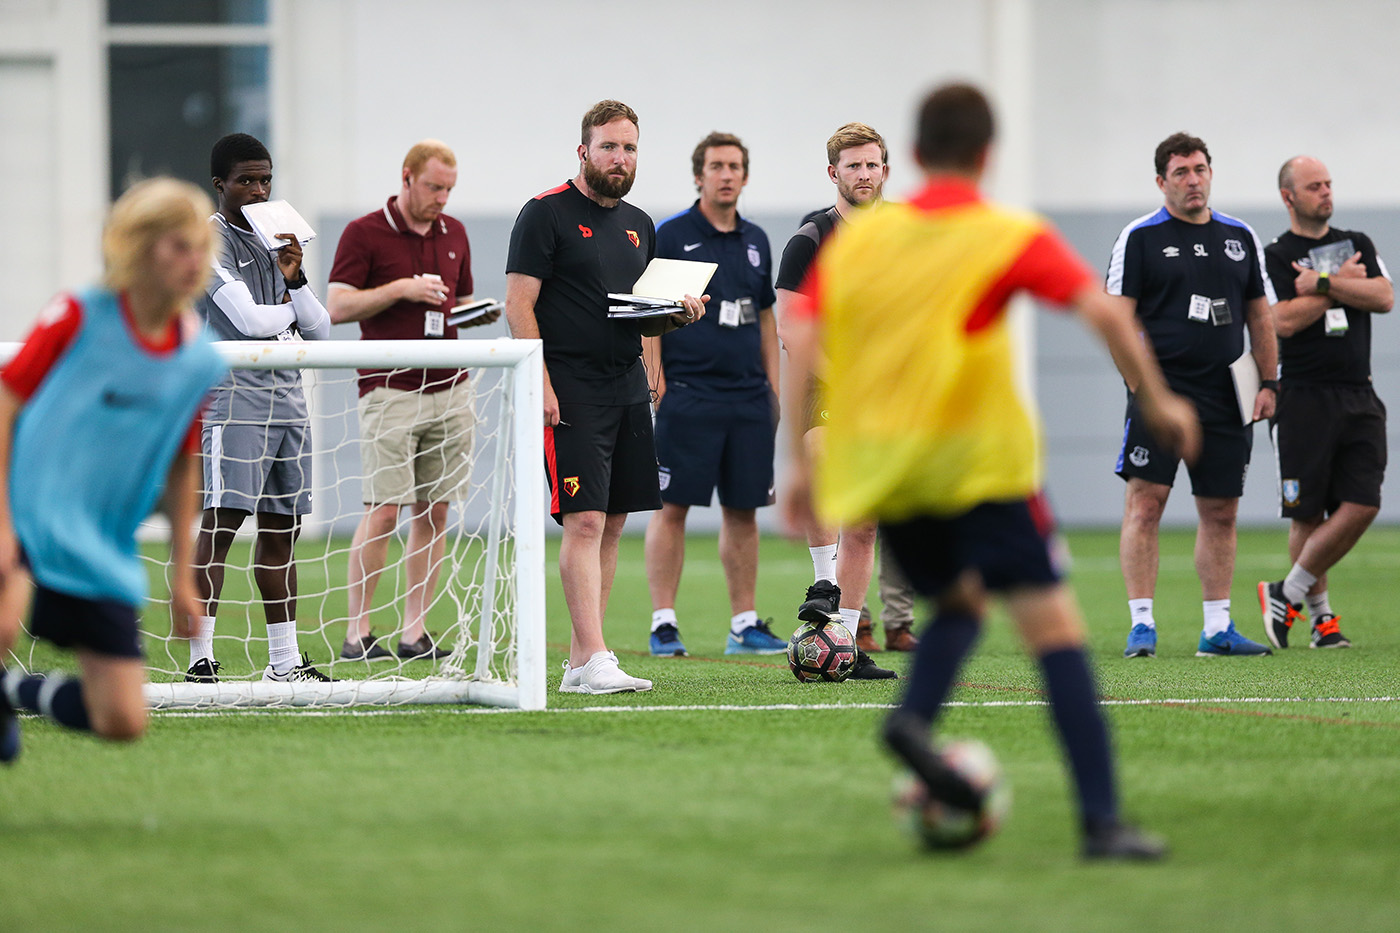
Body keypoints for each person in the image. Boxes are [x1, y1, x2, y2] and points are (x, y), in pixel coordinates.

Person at [782, 82, 1200, 859]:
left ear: (911, 155)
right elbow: (1104, 309)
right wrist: (1158, 397)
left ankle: (913, 720)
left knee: (961, 605)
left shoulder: (862, 240)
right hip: (984, 469)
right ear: (986, 154)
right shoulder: (1003, 231)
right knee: (1058, 634)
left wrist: (796, 467)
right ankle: (1102, 820)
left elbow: (801, 334)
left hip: (898, 474)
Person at [0, 178, 228, 764]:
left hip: (99, 541)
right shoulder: (78, 315)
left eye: (201, 248)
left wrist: (183, 577)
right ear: (140, 247)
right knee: (3, 626)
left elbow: (183, 463)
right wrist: (3, 524)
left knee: (122, 719)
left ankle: (8, 693)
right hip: (23, 513)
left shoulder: (198, 359)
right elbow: (5, 403)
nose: (194, 262)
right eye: (178, 246)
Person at [505, 100, 706, 694]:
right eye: (610, 147)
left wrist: (678, 316)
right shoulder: (544, 213)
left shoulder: (640, 223)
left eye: (630, 148)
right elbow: (518, 305)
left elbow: (639, 316)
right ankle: (595, 656)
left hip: (626, 387)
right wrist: (540, 381)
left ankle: (579, 664)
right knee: (585, 519)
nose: (620, 158)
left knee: (613, 521)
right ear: (584, 150)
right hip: (569, 387)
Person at [328, 139, 499, 663]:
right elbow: (336, 306)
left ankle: (413, 632)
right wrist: (401, 289)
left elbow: (459, 302)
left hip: (452, 388)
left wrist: (478, 313)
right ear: (406, 178)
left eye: (449, 189)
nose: (441, 198)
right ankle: (357, 634)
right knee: (383, 511)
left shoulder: (456, 233)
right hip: (390, 390)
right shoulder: (363, 232)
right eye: (433, 187)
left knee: (436, 511)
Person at [1109, 132, 1278, 659]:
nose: (1192, 180)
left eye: (1199, 169)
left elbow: (1260, 316)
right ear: (1162, 182)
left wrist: (1269, 383)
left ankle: (1217, 628)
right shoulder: (1140, 237)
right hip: (1163, 393)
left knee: (1221, 509)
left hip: (1227, 394)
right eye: (1180, 172)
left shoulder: (1239, 236)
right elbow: (1118, 319)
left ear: (1210, 174)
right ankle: (1142, 625)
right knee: (1146, 504)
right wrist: (1142, 388)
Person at [191, 133, 333, 685]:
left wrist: (294, 278)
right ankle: (200, 658)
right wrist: (291, 313)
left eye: (265, 179)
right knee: (222, 523)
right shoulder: (210, 239)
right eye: (246, 180)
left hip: (288, 394)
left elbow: (321, 331)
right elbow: (250, 322)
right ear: (219, 184)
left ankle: (284, 663)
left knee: (282, 529)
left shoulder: (278, 240)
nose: (258, 190)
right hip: (235, 394)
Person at [642, 132, 785, 657]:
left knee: (744, 510)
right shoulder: (672, 234)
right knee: (671, 507)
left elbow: (765, 318)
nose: (726, 175)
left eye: (734, 166)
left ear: (744, 176)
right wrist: (656, 382)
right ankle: (663, 623)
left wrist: (773, 389)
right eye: (716, 166)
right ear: (698, 175)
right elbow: (649, 314)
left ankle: (744, 625)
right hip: (688, 395)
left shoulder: (757, 240)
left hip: (748, 399)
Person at [774, 123, 906, 678]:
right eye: (853, 165)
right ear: (834, 173)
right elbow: (789, 324)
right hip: (824, 382)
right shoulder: (811, 239)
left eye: (872, 164)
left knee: (866, 522)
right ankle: (824, 582)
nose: (864, 174)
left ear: (885, 170)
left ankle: (845, 642)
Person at [1257, 156, 1392, 649]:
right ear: (1288, 197)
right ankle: (1322, 623)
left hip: (1359, 392)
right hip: (1303, 397)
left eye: (1329, 184)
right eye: (1314, 186)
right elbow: (1283, 321)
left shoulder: (1358, 243)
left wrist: (1322, 283)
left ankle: (1285, 592)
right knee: (1307, 513)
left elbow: (1383, 296)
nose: (1326, 192)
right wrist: (1342, 287)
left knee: (1364, 502)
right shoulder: (1274, 256)